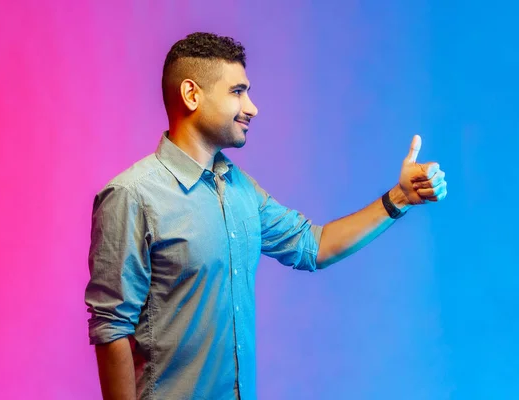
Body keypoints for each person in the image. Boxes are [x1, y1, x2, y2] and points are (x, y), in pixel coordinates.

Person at [85, 32, 447, 400]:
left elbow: (312, 245)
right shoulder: (132, 196)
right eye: (237, 92)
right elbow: (111, 329)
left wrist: (399, 197)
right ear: (192, 95)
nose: (252, 107)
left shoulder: (240, 189)